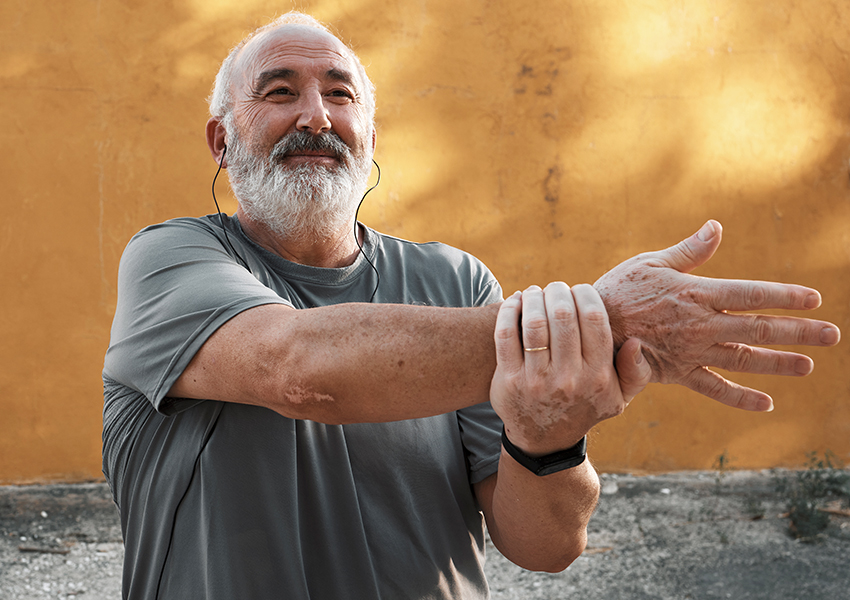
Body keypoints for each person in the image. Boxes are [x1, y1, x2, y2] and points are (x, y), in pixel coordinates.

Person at [102, 12, 840, 600]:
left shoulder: (456, 283)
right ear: (221, 142)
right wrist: (605, 318)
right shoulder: (171, 260)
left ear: (368, 136)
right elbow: (298, 367)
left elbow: (545, 548)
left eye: (340, 93)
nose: (316, 116)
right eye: (279, 91)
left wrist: (547, 433)